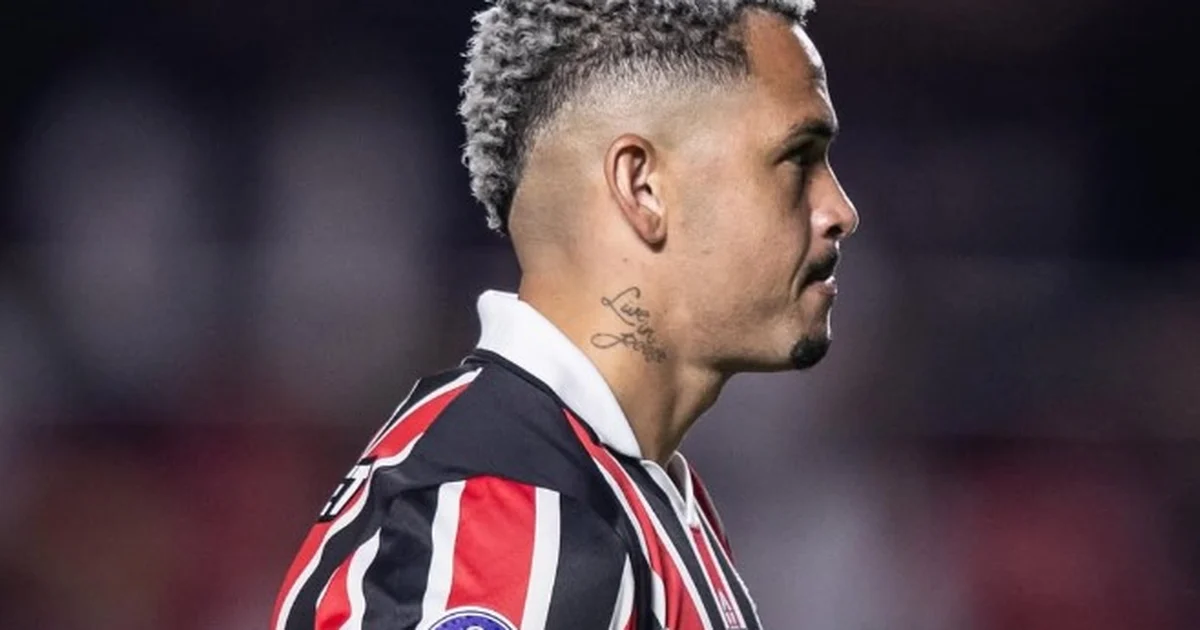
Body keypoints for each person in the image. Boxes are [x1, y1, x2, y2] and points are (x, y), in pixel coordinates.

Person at [271, 0, 858, 628]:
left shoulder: (609, 492)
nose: (840, 211)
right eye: (799, 158)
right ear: (643, 187)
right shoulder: (512, 516)